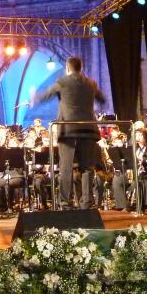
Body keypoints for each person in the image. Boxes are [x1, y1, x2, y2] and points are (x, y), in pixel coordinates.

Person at [33, 56, 106, 210]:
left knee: (66, 168)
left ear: (67, 68)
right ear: (81, 67)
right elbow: (102, 99)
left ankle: (66, 204)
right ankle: (86, 203)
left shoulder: (62, 82)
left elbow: (45, 95)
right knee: (87, 168)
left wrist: (34, 96)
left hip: (68, 130)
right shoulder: (91, 83)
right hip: (88, 129)